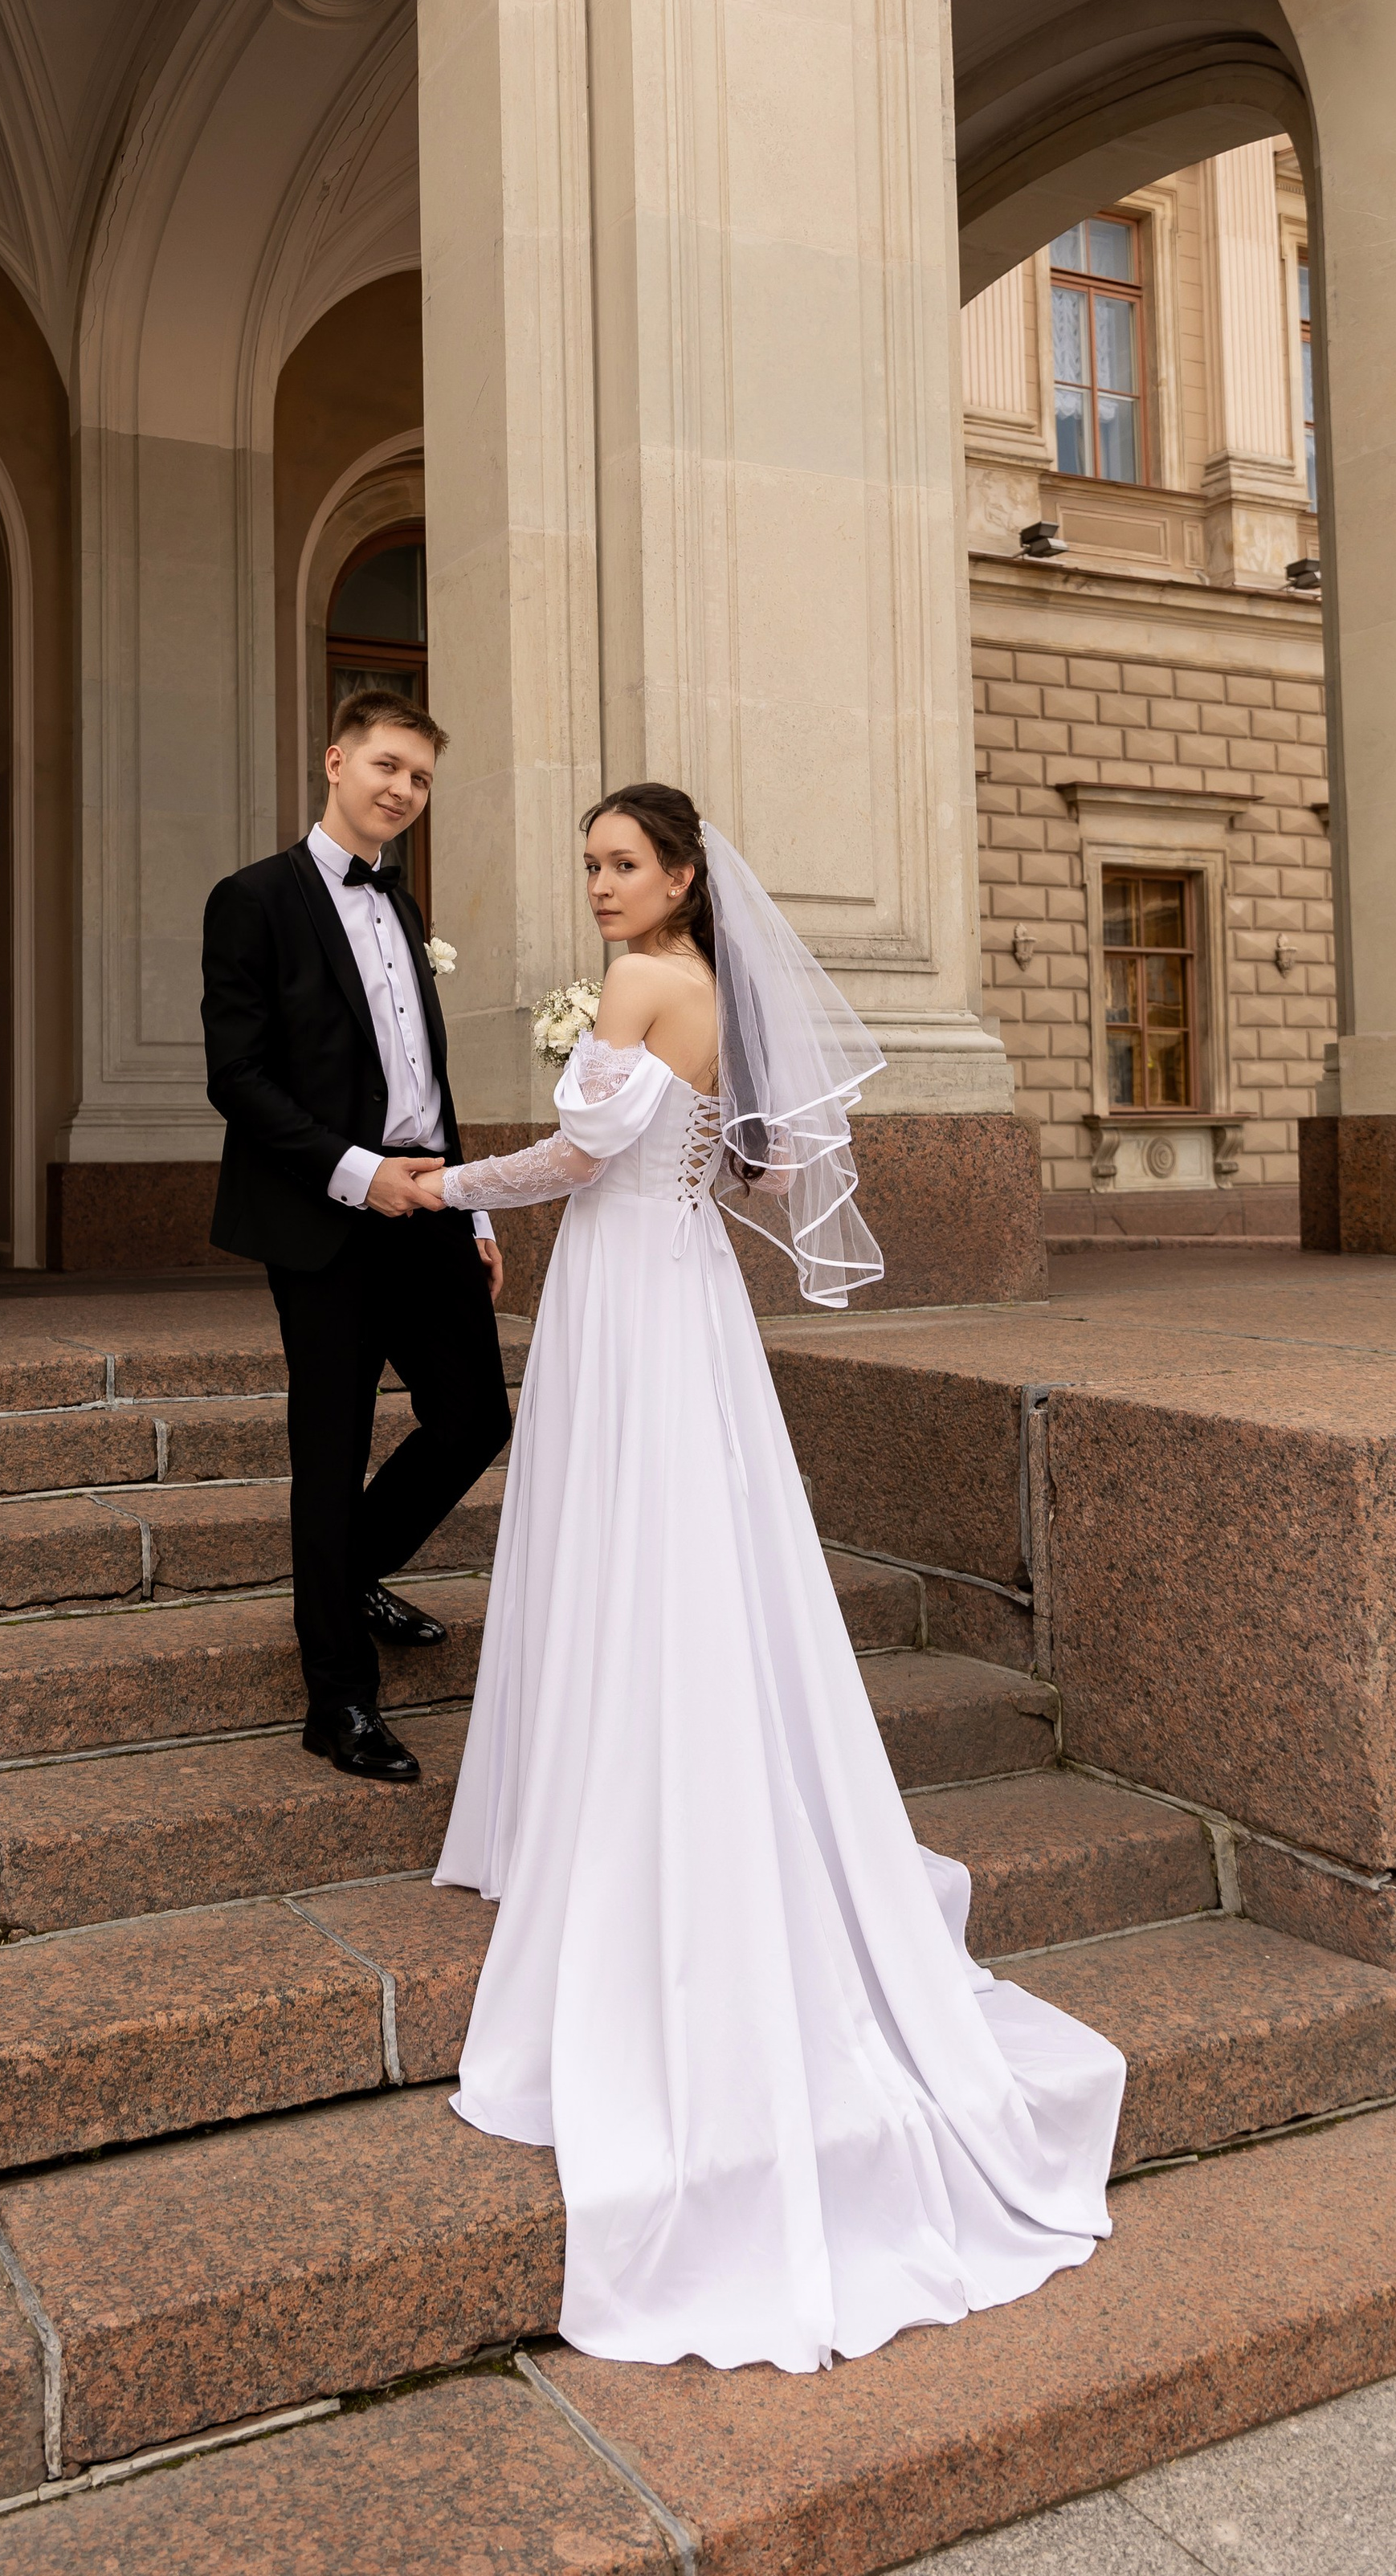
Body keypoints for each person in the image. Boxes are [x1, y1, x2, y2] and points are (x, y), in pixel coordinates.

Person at [414, 783, 1125, 2372]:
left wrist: (436, 1188)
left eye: (620, 863)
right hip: (679, 1293)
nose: (598, 885)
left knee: (626, 1530)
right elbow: (752, 1173)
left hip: (626, 1291)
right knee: (686, 1536)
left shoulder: (641, 980)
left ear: (680, 877)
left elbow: (574, 1156)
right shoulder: (718, 992)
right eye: (588, 864)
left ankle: (614, 1803)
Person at [200, 691, 512, 1783]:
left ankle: (352, 1574)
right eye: (387, 765)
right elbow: (237, 1078)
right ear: (337, 761)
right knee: (329, 1453)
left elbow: (427, 1078)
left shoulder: (403, 905)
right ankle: (337, 1701)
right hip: (324, 1216)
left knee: (474, 1416)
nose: (403, 790)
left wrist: (468, 1202)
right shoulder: (252, 899)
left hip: (428, 1206)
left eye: (420, 778)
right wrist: (357, 1174)